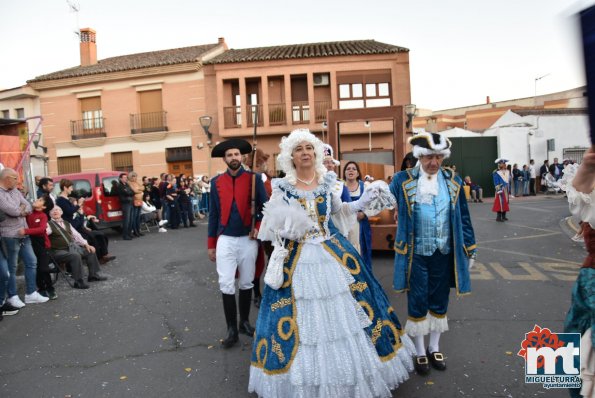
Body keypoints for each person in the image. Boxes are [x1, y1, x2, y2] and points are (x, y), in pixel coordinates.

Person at [249, 129, 414, 397]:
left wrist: (363, 200)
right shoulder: (281, 187)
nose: (305, 152)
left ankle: (349, 375)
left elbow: (341, 211)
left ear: (315, 153)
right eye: (299, 148)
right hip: (298, 259)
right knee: (302, 320)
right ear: (290, 155)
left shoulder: (326, 182)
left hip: (330, 251)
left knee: (349, 312)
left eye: (308, 148)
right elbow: (270, 225)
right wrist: (286, 228)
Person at [389, 132, 476, 375]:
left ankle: (434, 347)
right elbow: (385, 201)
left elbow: (464, 219)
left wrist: (470, 250)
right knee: (417, 300)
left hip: (444, 251)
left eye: (438, 157)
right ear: (419, 156)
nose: (434, 162)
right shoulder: (401, 180)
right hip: (415, 253)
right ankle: (419, 351)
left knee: (440, 298)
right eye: (428, 157)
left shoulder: (453, 180)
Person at [208, 138, 268, 349]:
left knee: (246, 282)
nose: (233, 158)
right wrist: (211, 244)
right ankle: (231, 329)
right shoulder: (215, 183)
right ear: (224, 159)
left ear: (242, 157)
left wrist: (258, 226)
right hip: (225, 238)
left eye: (236, 154)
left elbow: (265, 208)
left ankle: (244, 323)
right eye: (229, 155)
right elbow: (213, 215)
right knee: (226, 283)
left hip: (247, 239)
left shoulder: (254, 179)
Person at [559, 147, 595, 398]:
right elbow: (580, 191)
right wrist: (588, 165)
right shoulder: (589, 187)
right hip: (591, 285)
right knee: (576, 354)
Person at [0, 168, 49, 308]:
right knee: (12, 266)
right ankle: (12, 296)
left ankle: (31, 293)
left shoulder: (15, 191)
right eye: (15, 178)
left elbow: (28, 206)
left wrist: (21, 209)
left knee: (32, 261)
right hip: (10, 235)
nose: (18, 181)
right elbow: (13, 211)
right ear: (7, 178)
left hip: (24, 232)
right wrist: (20, 209)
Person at [46, 206, 107, 289]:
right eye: (53, 211)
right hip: (57, 251)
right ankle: (78, 281)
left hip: (71, 248)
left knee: (90, 251)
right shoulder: (48, 225)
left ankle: (93, 275)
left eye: (57, 210)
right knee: (75, 255)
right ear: (50, 214)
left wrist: (86, 245)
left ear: (61, 213)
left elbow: (77, 235)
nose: (55, 211)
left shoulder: (67, 223)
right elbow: (44, 235)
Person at [22, 195, 57, 300]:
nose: (37, 200)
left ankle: (50, 288)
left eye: (40, 200)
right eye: (38, 198)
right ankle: (41, 289)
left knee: (43, 268)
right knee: (35, 266)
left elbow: (41, 229)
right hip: (31, 243)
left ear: (44, 207)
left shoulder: (43, 216)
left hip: (42, 244)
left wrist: (26, 231)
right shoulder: (29, 214)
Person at [344, 161, 373, 270]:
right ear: (344, 173)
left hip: (360, 224)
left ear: (357, 173)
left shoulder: (364, 186)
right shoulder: (339, 187)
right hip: (344, 225)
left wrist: (364, 213)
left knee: (361, 253)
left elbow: (373, 204)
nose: (351, 170)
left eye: (354, 169)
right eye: (348, 169)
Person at [115, 173, 135, 240]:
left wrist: (128, 192)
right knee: (126, 220)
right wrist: (128, 192)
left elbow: (132, 192)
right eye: (124, 177)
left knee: (131, 219)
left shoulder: (127, 184)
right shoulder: (119, 186)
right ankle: (125, 235)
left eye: (126, 177)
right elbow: (126, 193)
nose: (126, 178)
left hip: (130, 203)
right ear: (120, 178)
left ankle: (129, 233)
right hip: (125, 204)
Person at [128, 171, 145, 238]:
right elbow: (134, 191)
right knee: (134, 217)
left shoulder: (136, 182)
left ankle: (138, 230)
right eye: (134, 176)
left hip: (140, 200)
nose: (135, 178)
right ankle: (135, 231)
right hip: (134, 201)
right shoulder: (130, 183)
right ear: (131, 177)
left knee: (138, 217)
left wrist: (139, 190)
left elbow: (143, 188)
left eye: (135, 176)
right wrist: (139, 190)